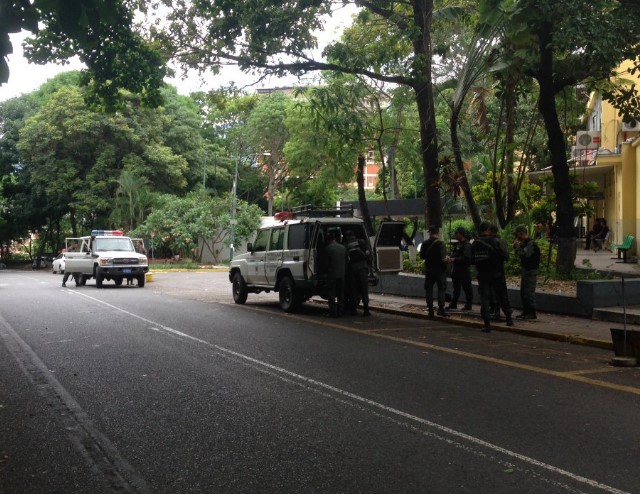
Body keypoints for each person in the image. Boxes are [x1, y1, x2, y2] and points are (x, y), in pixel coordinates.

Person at [471, 222, 513, 332]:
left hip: (482, 274)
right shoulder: (495, 241)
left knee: (484, 298)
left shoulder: (475, 244)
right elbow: (505, 256)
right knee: (502, 295)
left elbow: (471, 260)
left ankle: (487, 324)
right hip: (497, 273)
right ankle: (509, 319)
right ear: (488, 229)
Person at [420, 225, 448, 317]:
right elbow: (444, 258)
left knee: (429, 289)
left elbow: (422, 256)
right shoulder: (441, 244)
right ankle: (441, 309)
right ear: (438, 233)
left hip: (429, 270)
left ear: (430, 233)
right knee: (441, 289)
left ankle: (430, 309)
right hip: (440, 270)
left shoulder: (424, 243)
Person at [513, 225, 541, 320]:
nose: (517, 237)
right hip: (525, 269)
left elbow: (526, 255)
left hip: (531, 270)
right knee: (523, 292)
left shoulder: (530, 243)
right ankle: (526, 311)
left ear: (521, 233)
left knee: (528, 291)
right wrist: (516, 247)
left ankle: (531, 312)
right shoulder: (524, 243)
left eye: (517, 235)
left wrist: (517, 247)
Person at [344, 230, 371, 316]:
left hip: (352, 269)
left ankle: (354, 309)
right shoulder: (361, 242)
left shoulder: (345, 245)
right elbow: (368, 254)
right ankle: (366, 309)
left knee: (353, 289)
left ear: (347, 236)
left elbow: (345, 259)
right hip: (363, 267)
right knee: (364, 289)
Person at [447, 227, 473, 311]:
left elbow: (466, 258)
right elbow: (455, 254)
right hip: (456, 270)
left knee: (467, 288)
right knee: (456, 288)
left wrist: (455, 259)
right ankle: (453, 303)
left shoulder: (467, 245)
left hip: (464, 270)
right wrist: (449, 258)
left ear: (461, 234)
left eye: (456, 233)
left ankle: (468, 305)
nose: (455, 235)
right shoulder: (458, 244)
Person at [324, 231, 349, 317]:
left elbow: (326, 263)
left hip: (332, 275)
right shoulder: (343, 247)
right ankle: (341, 311)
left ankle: (333, 312)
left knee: (332, 293)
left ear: (328, 239)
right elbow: (347, 260)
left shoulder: (328, 248)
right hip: (342, 274)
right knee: (341, 293)